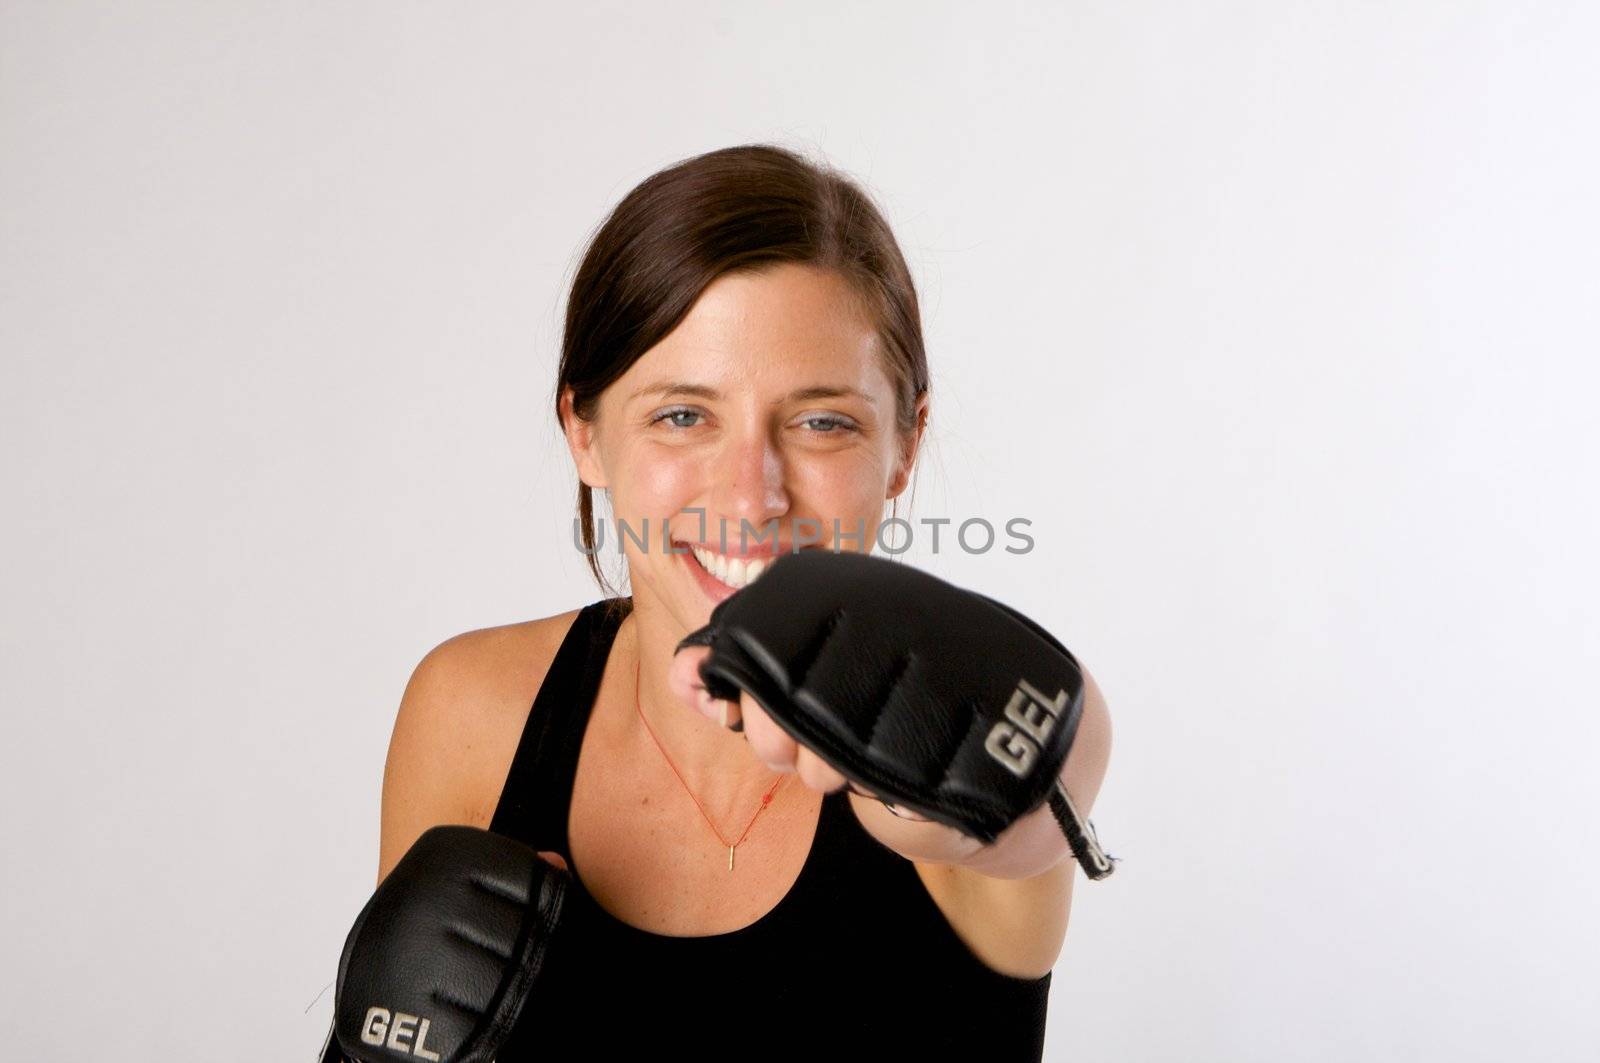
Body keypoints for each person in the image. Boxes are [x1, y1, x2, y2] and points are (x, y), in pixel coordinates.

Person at [365, 142, 1113, 1058]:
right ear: (585, 434)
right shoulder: (473, 708)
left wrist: (1053, 741)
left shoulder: (937, 735)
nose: (752, 494)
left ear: (904, 447)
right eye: (683, 415)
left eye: (822, 421)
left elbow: (1027, 802)